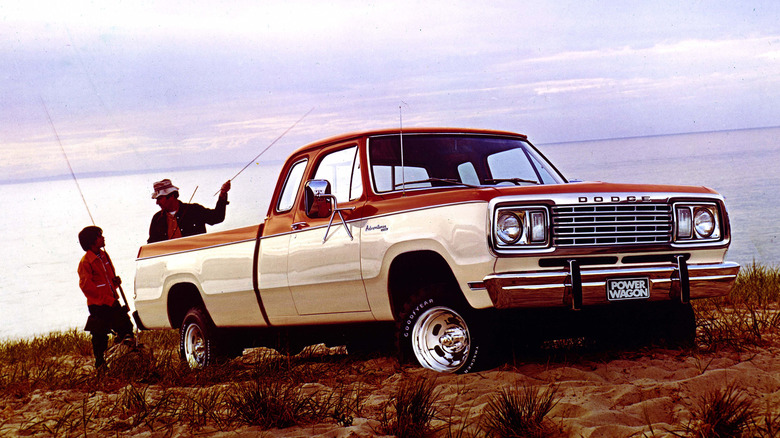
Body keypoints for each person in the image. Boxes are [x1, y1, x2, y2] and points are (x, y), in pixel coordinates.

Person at [77, 226, 135, 368]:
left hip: (111, 300)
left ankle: (123, 355)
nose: (103, 238)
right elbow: (87, 288)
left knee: (126, 326)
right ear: (92, 242)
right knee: (99, 334)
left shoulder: (104, 256)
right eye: (99, 236)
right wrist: (108, 301)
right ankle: (100, 363)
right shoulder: (85, 262)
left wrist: (115, 283)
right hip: (98, 305)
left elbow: (106, 280)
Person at [147, 179, 231, 243]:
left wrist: (223, 194)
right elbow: (151, 245)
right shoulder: (157, 219)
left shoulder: (194, 210)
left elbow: (217, 217)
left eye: (160, 199)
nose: (157, 202)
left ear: (172, 196)